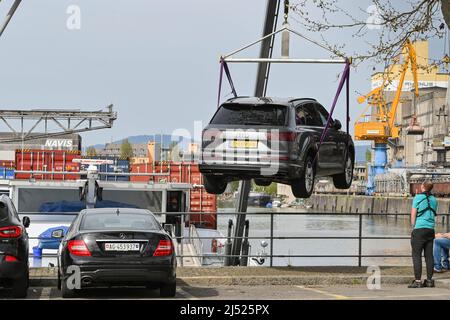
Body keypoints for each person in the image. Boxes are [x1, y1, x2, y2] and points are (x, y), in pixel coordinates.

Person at [408, 182, 437, 288]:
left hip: (419, 229)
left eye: (421, 185)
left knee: (416, 255)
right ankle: (429, 281)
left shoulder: (418, 198)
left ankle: (418, 281)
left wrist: (413, 227)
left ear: (423, 187)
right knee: (429, 256)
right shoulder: (434, 199)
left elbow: (413, 214)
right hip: (430, 229)